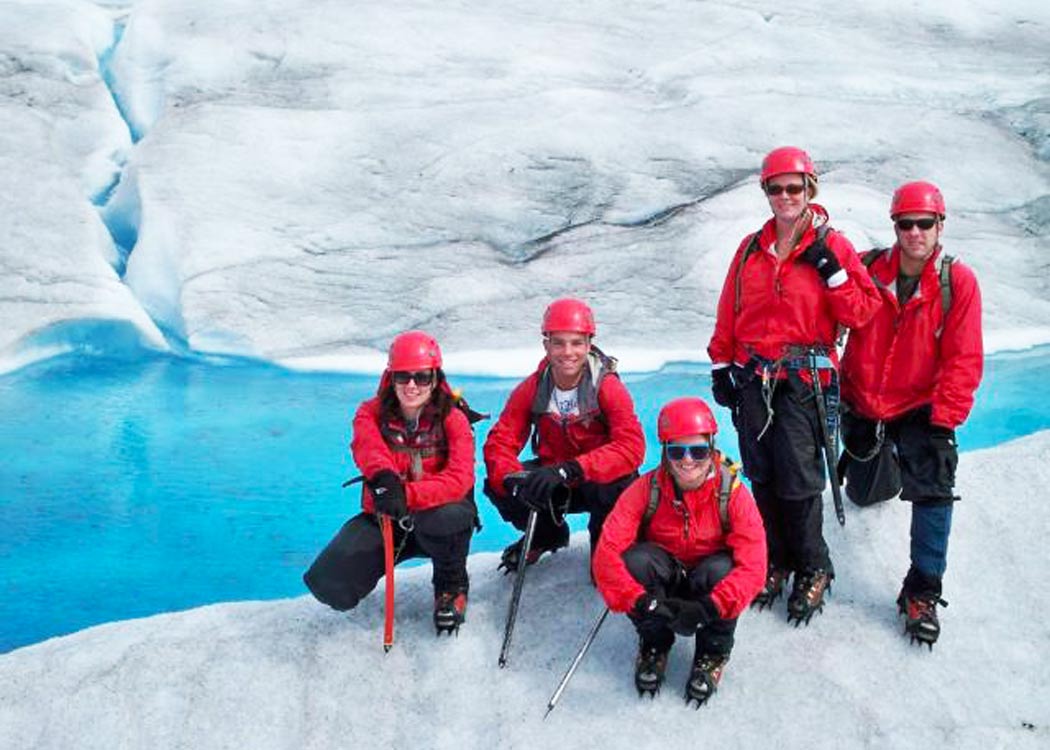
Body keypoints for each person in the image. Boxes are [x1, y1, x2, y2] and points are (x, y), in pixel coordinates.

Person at [707, 146, 881, 624]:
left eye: (794, 187)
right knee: (762, 471)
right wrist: (722, 362)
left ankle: (812, 565)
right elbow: (731, 309)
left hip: (805, 379)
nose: (785, 196)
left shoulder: (832, 246)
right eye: (776, 188)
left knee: (800, 478)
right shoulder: (749, 249)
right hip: (754, 376)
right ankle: (775, 558)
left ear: (810, 190)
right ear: (765, 192)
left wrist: (835, 273)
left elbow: (862, 312)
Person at [839, 181, 983, 648]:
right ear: (895, 225)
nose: (916, 232)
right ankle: (886, 464)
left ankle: (922, 590)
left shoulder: (957, 282)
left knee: (934, 485)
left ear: (940, 225)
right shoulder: (867, 269)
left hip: (921, 405)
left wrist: (945, 422)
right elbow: (829, 314)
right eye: (907, 223)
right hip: (865, 400)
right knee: (865, 494)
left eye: (925, 223)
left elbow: (963, 358)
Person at [592, 397, 766, 705]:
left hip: (708, 584)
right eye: (677, 451)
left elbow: (753, 567)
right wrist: (641, 601)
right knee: (634, 561)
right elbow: (606, 556)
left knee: (723, 570)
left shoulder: (734, 494)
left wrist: (709, 608)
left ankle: (712, 652)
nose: (688, 461)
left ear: (712, 448)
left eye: (698, 451)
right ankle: (655, 642)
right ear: (665, 453)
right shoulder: (644, 490)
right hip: (664, 580)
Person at [303, 331, 477, 635]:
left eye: (421, 377)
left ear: (435, 378)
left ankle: (451, 587)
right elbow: (368, 449)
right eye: (403, 376)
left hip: (437, 518)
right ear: (391, 377)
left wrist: (405, 494)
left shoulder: (453, 417)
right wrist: (384, 479)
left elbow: (460, 480)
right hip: (387, 517)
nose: (412, 385)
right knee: (330, 584)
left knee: (448, 515)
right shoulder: (370, 413)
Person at [483, 297, 645, 572]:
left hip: (596, 482)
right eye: (558, 342)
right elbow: (500, 442)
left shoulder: (607, 387)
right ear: (546, 344)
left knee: (618, 489)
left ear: (589, 344)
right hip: (555, 482)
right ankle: (547, 535)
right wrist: (512, 480)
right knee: (498, 484)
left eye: (576, 343)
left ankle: (607, 546)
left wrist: (571, 469)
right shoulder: (533, 388)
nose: (567, 352)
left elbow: (631, 448)